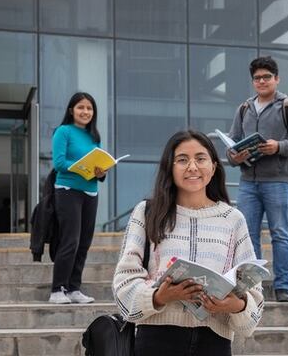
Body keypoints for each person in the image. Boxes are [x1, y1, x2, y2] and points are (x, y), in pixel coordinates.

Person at [113, 130, 264, 356]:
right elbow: (123, 283)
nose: (192, 167)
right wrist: (160, 296)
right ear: (170, 168)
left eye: (200, 159)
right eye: (182, 159)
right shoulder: (147, 213)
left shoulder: (233, 220)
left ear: (213, 167)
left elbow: (254, 298)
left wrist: (236, 305)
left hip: (214, 342)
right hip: (156, 340)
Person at [226, 56, 288, 302]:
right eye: (257, 78)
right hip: (248, 182)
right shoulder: (244, 109)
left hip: (278, 181)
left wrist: (278, 146)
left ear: (276, 79)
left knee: (280, 233)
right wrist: (235, 155)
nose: (261, 81)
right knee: (248, 235)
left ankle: (283, 285)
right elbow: (230, 147)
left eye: (266, 77)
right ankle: (254, 286)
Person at [48, 92, 106, 304]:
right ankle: (57, 290)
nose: (85, 112)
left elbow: (98, 167)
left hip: (90, 192)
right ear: (72, 110)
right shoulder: (63, 132)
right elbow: (59, 163)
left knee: (84, 243)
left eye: (89, 108)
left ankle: (74, 288)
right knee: (70, 241)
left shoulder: (93, 137)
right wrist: (84, 168)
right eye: (81, 107)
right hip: (68, 190)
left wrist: (101, 172)